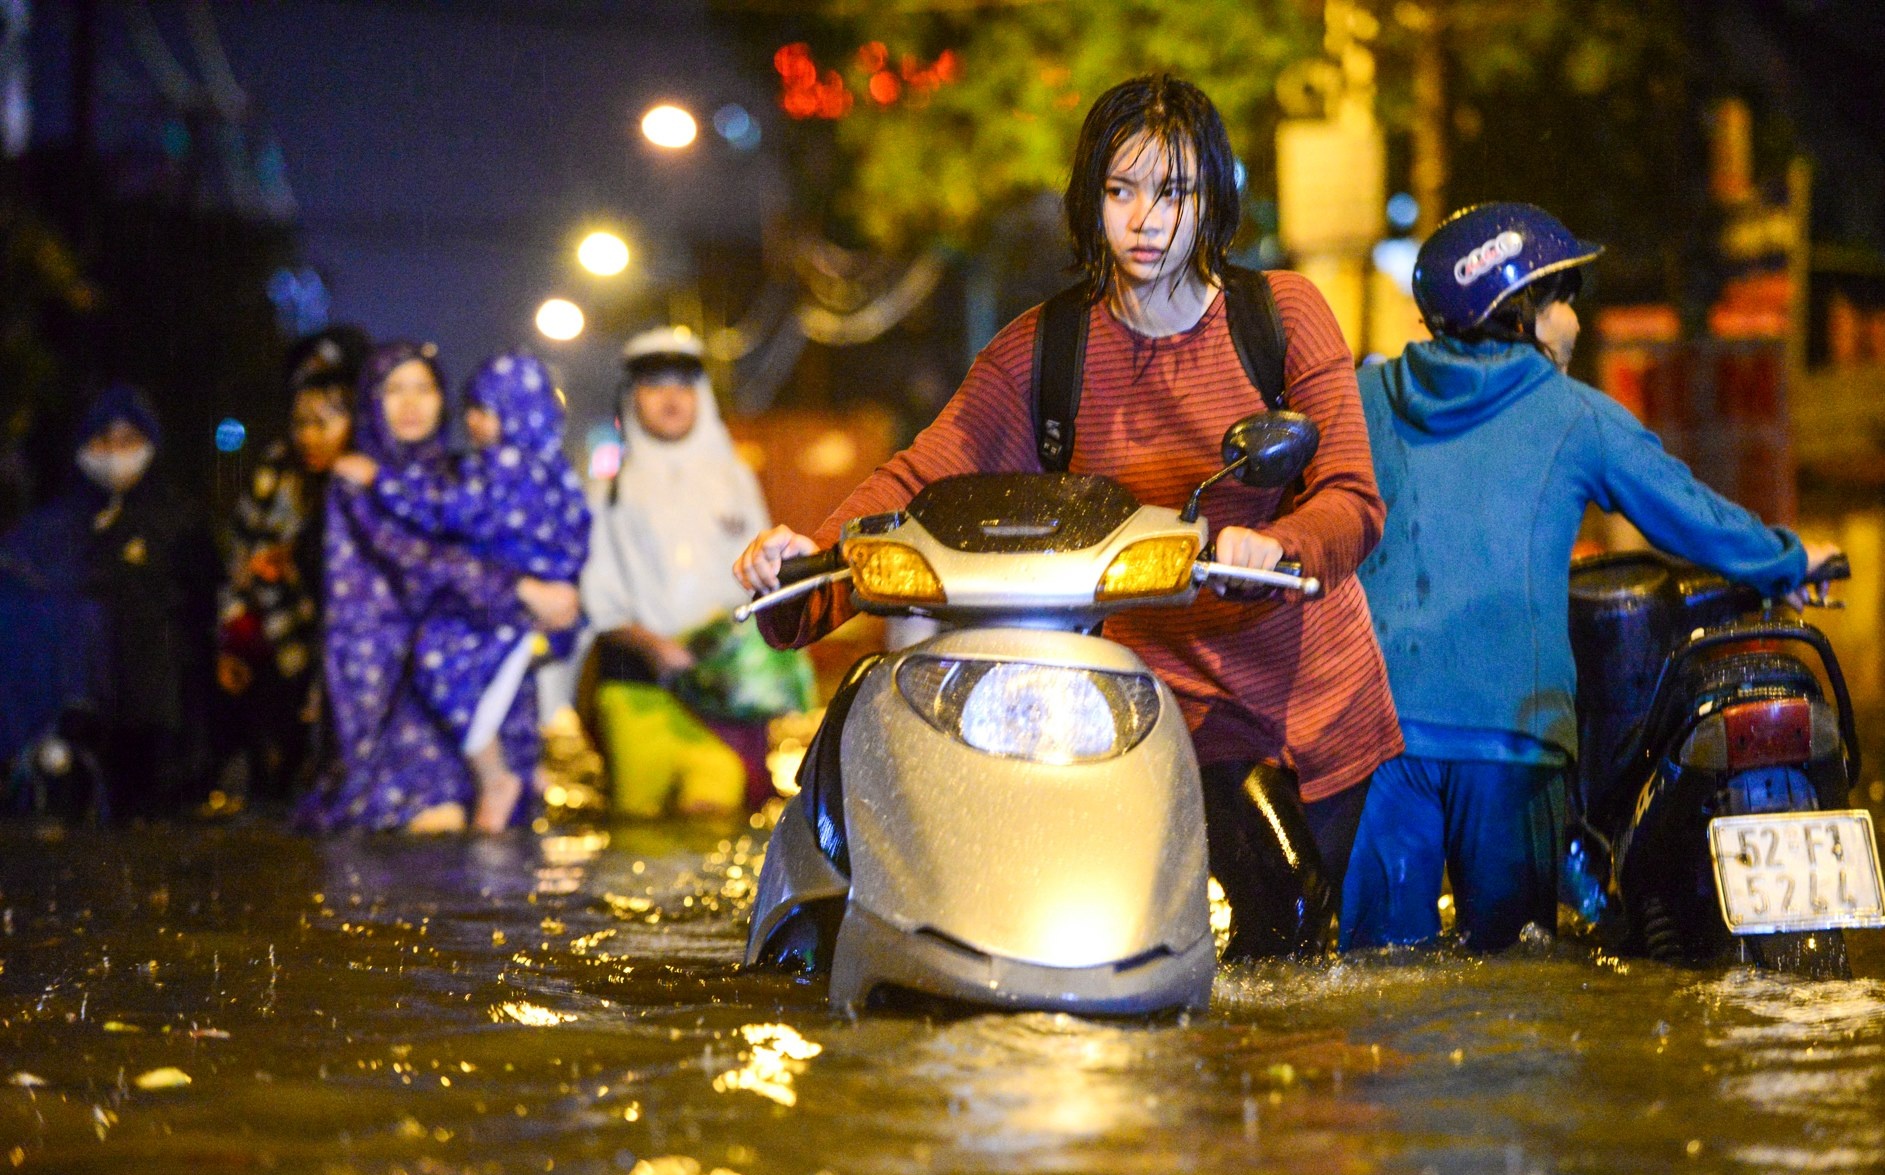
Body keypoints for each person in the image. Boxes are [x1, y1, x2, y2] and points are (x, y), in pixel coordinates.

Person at [734, 75, 1401, 956]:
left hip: (1307, 713)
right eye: (1120, 191)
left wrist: (1277, 545)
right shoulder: (1045, 349)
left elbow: (1351, 497)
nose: (1146, 219)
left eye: (1174, 192)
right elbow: (920, 477)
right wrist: (806, 563)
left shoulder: (1280, 315)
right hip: (1128, 712)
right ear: (1089, 200)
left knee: (1299, 957)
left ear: (1213, 199)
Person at [1340, 202, 1841, 953]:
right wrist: (1787, 558)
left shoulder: (1363, 397)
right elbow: (1687, 513)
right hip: (1513, 744)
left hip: (1376, 740)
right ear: (1522, 315)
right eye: (1563, 299)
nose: (1574, 320)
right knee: (1515, 984)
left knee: (1375, 986)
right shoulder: (1571, 414)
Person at [303, 342, 577, 834]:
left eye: (424, 389)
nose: (411, 404)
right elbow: (413, 559)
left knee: (499, 845)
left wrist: (551, 593)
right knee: (425, 830)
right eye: (394, 390)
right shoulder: (355, 479)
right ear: (371, 400)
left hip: (467, 670)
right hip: (388, 680)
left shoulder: (463, 476)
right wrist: (521, 590)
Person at [574, 327, 809, 818]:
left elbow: (766, 573)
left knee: (716, 812)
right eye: (655, 385)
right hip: (636, 690)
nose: (670, 399)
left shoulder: (736, 478)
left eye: (683, 385)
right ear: (632, 398)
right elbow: (598, 597)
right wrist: (657, 648)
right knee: (639, 834)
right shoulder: (608, 492)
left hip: (725, 693)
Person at [0, 385, 220, 818]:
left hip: (154, 715)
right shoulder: (55, 524)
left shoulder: (176, 521)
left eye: (128, 442)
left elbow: (203, 611)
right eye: (103, 441)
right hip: (73, 710)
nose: (115, 454)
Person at [216, 326, 370, 801]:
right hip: (282, 649)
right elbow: (241, 558)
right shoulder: (276, 471)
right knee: (275, 773)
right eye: (300, 420)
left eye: (324, 418)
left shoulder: (372, 477)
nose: (308, 435)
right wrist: (235, 638)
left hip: (352, 653)